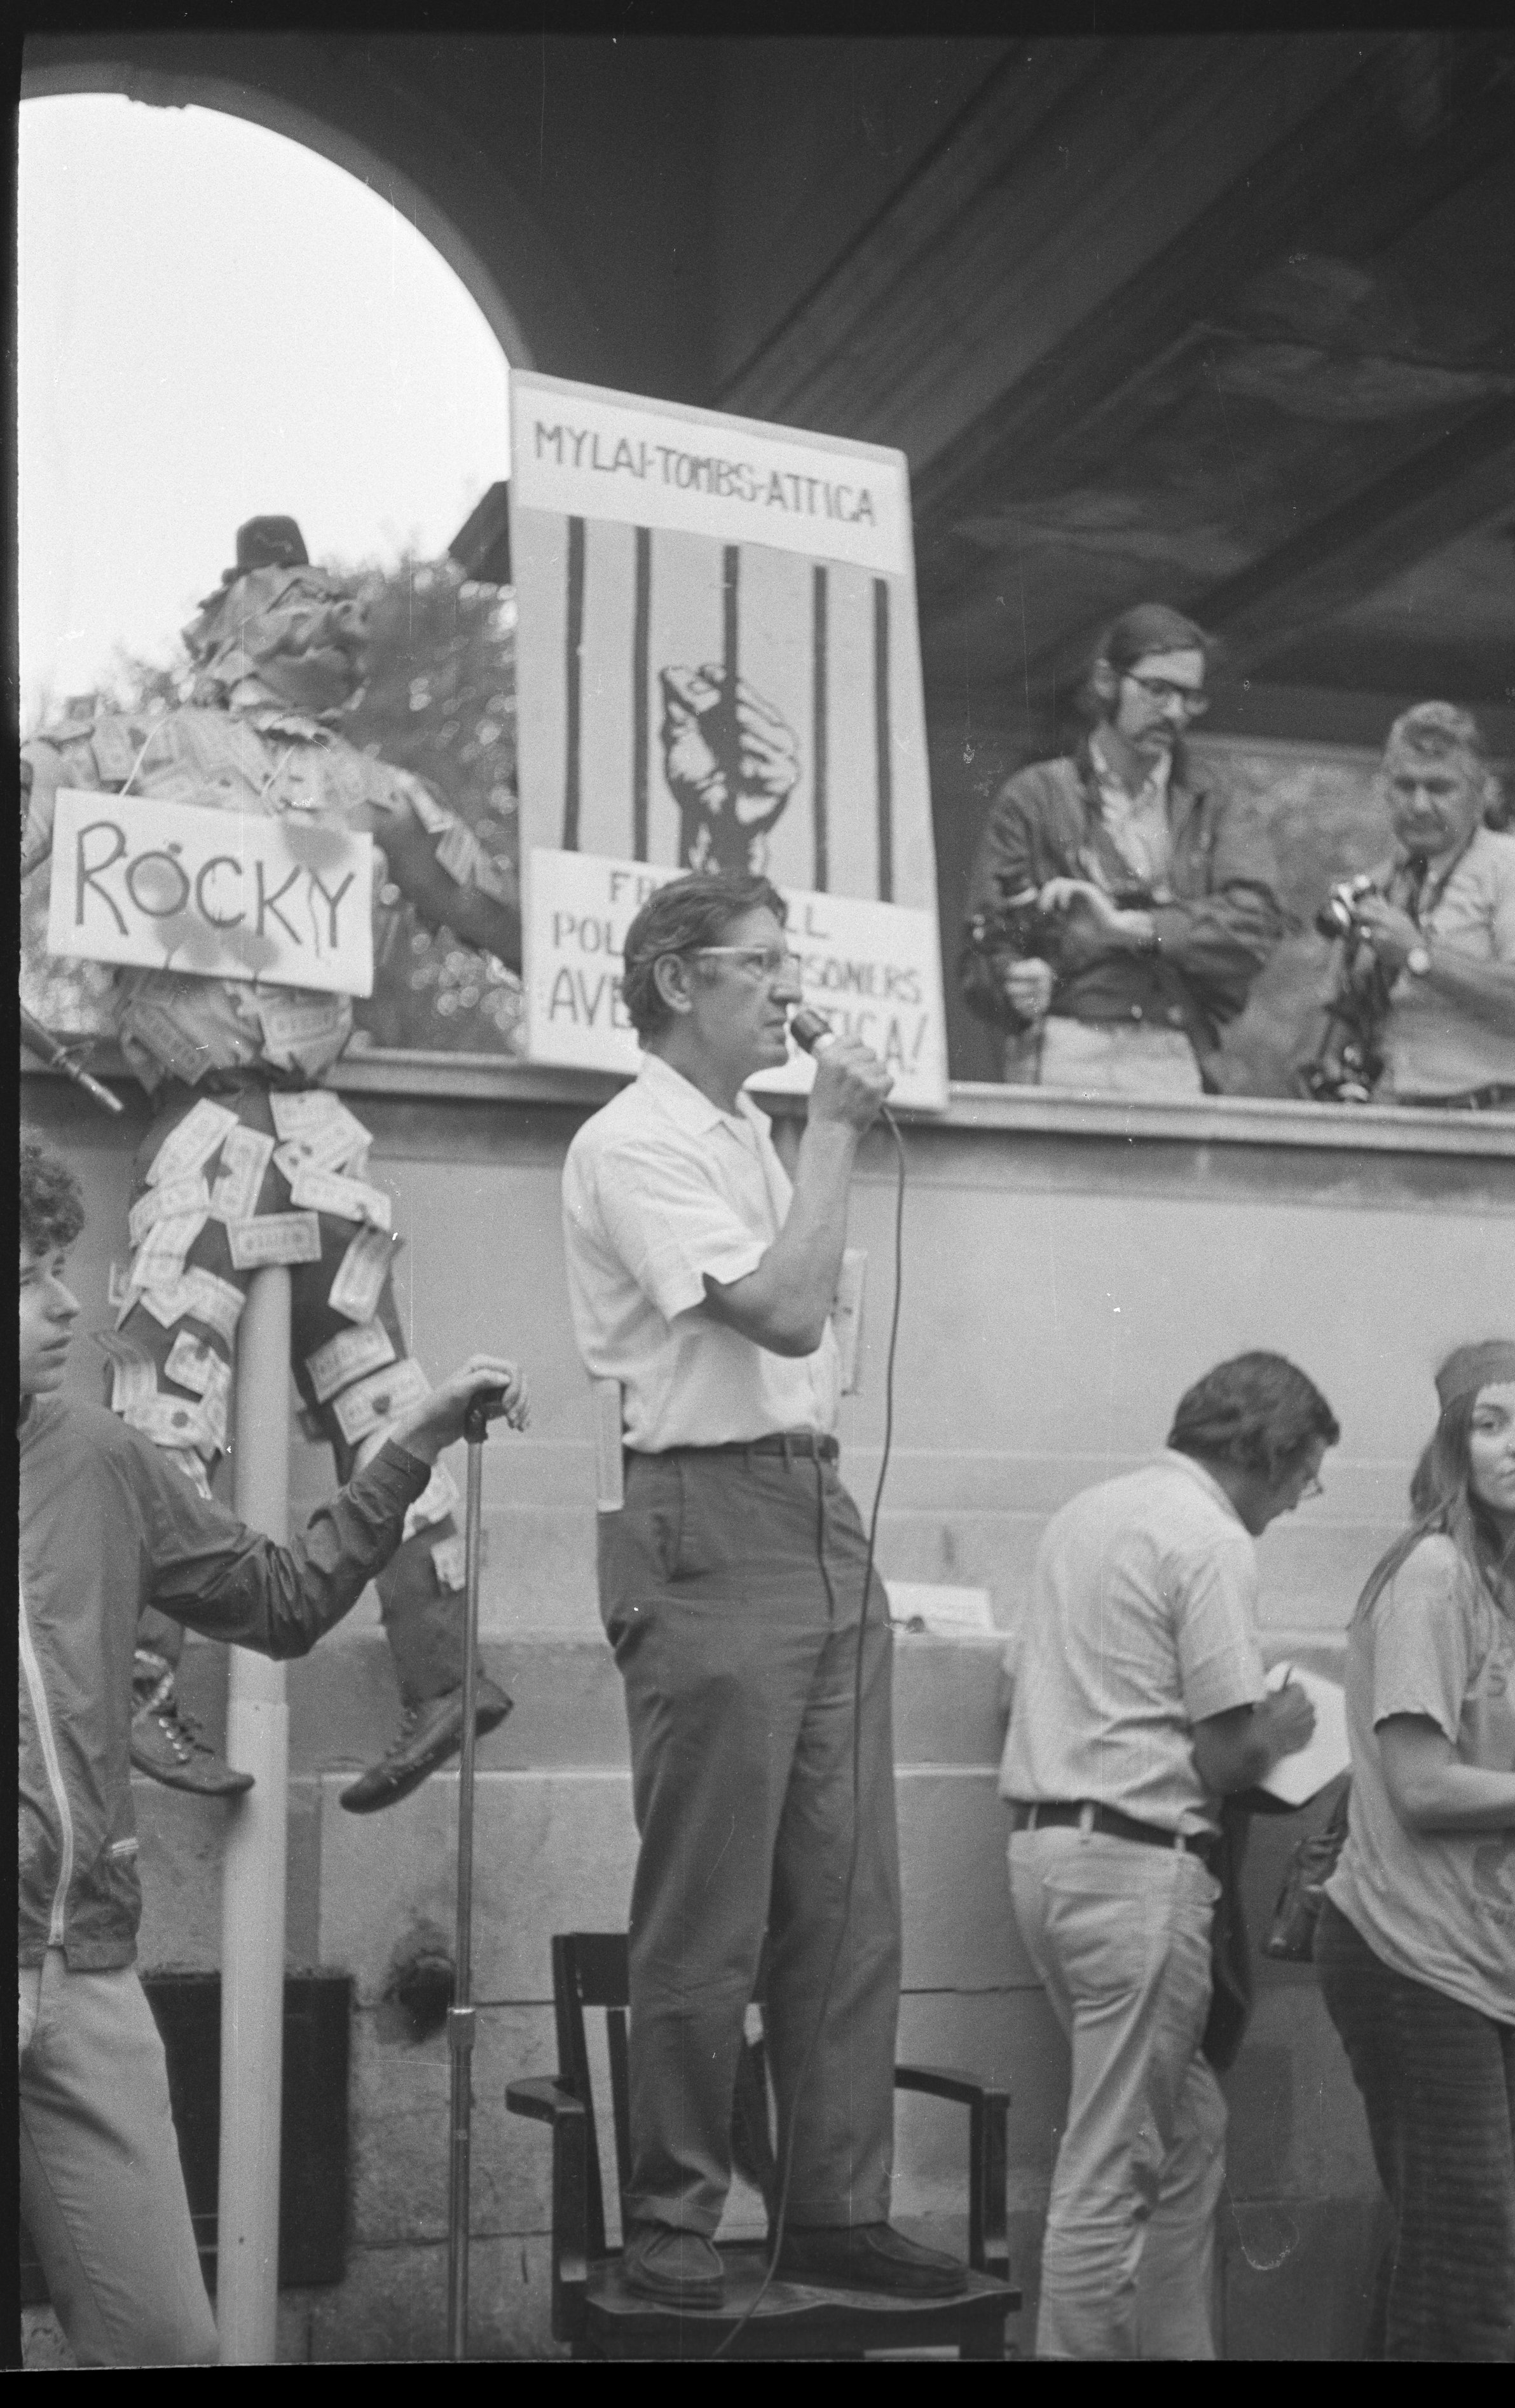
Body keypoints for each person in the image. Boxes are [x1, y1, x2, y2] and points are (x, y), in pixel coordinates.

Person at [20, 516, 523, 1811]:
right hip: (214, 1121)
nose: (327, 605)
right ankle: (147, 1695)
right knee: (172, 1391)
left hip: (312, 1128)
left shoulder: (367, 783)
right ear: (231, 618)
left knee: (375, 1396)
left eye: (330, 592)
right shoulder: (130, 744)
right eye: (292, 592)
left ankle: (442, 1672)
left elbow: (492, 911)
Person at [18, 1126, 531, 2367]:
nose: (62, 1303)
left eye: (60, 1265)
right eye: (26, 1272)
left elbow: (285, 1599)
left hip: (76, 1972)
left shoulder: (100, 1458)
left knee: (165, 2348)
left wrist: (409, 1439)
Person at [561, 870, 964, 2309]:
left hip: (810, 1503)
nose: (795, 989)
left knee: (849, 1897)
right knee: (710, 1905)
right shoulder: (633, 1144)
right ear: (679, 981)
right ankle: (674, 2225)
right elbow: (783, 1309)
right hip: (703, 1518)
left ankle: (837, 2205)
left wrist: (814, 1140)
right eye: (766, 964)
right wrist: (840, 1130)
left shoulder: (746, 1132)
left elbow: (807, 1331)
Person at [1000, 1352, 1338, 2359]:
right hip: (1141, 1865)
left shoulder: (1087, 1512)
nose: (1299, 1498)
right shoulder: (1210, 1536)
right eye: (1305, 1474)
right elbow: (1226, 1752)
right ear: (1268, 1455)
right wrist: (1282, 1722)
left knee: (1186, 2132)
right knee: (1113, 2162)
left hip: (1049, 1854)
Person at [1315, 1341, 1515, 2362]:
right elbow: (1422, 1786)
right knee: (1466, 2276)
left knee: (1467, 2258)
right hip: (1413, 1956)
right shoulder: (1432, 1572)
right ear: (1453, 1445)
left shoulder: (1510, 1586)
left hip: (1485, 1958)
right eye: (1492, 1423)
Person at [959, 604, 1282, 1097]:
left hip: (1175, 1051)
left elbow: (1256, 926)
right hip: (1063, 1047)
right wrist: (1016, 979)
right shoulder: (1036, 796)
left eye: (1190, 697)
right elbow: (984, 945)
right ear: (1107, 681)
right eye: (1157, 689)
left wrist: (1137, 930)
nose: (1174, 711)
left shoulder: (1217, 802)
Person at [1306, 703, 1515, 1111]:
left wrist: (1418, 955)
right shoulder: (1377, 884)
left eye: (1440, 788)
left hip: (1504, 1114)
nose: (1420, 805)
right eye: (1405, 785)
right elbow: (1341, 1015)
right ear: (1384, 788)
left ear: (1481, 794)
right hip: (1399, 1113)